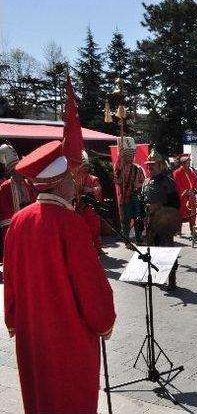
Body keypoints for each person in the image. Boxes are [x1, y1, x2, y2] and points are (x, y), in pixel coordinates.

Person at [3, 140, 116, 413]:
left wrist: (13, 318)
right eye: (72, 179)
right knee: (70, 400)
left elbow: (11, 279)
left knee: (39, 398)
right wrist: (104, 321)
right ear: (62, 181)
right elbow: (90, 286)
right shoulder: (70, 223)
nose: (75, 184)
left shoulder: (19, 220)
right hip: (68, 338)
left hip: (32, 335)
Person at [142, 150, 181, 289]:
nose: (149, 168)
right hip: (150, 221)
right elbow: (143, 200)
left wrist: (160, 207)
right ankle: (154, 276)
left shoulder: (167, 182)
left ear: (160, 165)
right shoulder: (146, 182)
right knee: (152, 249)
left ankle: (171, 279)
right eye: (148, 165)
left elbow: (175, 202)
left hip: (164, 220)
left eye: (152, 165)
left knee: (167, 249)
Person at [0, 144, 35, 251]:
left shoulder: (28, 184)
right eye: (15, 170)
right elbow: (5, 215)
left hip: (30, 227)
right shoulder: (5, 187)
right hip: (14, 229)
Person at [114, 138, 145, 243]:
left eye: (132, 155)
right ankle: (126, 239)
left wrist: (138, 185)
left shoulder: (138, 169)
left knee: (137, 217)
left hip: (135, 196)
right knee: (126, 219)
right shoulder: (120, 168)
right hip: (125, 197)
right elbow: (117, 181)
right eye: (128, 155)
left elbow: (143, 182)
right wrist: (120, 175)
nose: (130, 157)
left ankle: (138, 237)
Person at [76, 152, 104, 254]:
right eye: (82, 165)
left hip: (91, 208)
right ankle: (85, 250)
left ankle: (97, 248)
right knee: (81, 231)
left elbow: (98, 189)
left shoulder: (93, 178)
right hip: (79, 208)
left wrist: (90, 190)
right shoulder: (74, 179)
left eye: (85, 166)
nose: (84, 168)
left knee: (95, 229)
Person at [173, 153, 197, 235]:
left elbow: (195, 182)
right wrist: (186, 192)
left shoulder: (191, 172)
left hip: (191, 196)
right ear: (183, 163)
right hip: (183, 197)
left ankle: (193, 230)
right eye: (187, 163)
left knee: (192, 214)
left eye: (189, 163)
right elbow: (177, 185)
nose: (189, 164)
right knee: (181, 213)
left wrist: (194, 190)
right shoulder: (177, 172)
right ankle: (178, 230)